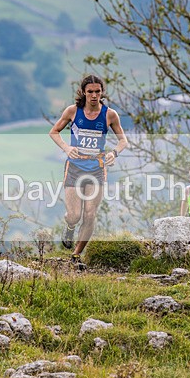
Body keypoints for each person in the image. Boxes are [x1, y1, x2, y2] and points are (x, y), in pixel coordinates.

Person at [49, 75, 128, 266]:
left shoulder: (110, 115)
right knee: (75, 215)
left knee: (90, 213)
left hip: (97, 169)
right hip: (75, 168)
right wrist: (67, 148)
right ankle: (69, 227)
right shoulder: (73, 111)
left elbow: (123, 140)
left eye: (97, 92)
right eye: (90, 91)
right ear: (83, 92)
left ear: (102, 93)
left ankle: (76, 255)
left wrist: (114, 154)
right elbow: (54, 132)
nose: (94, 95)